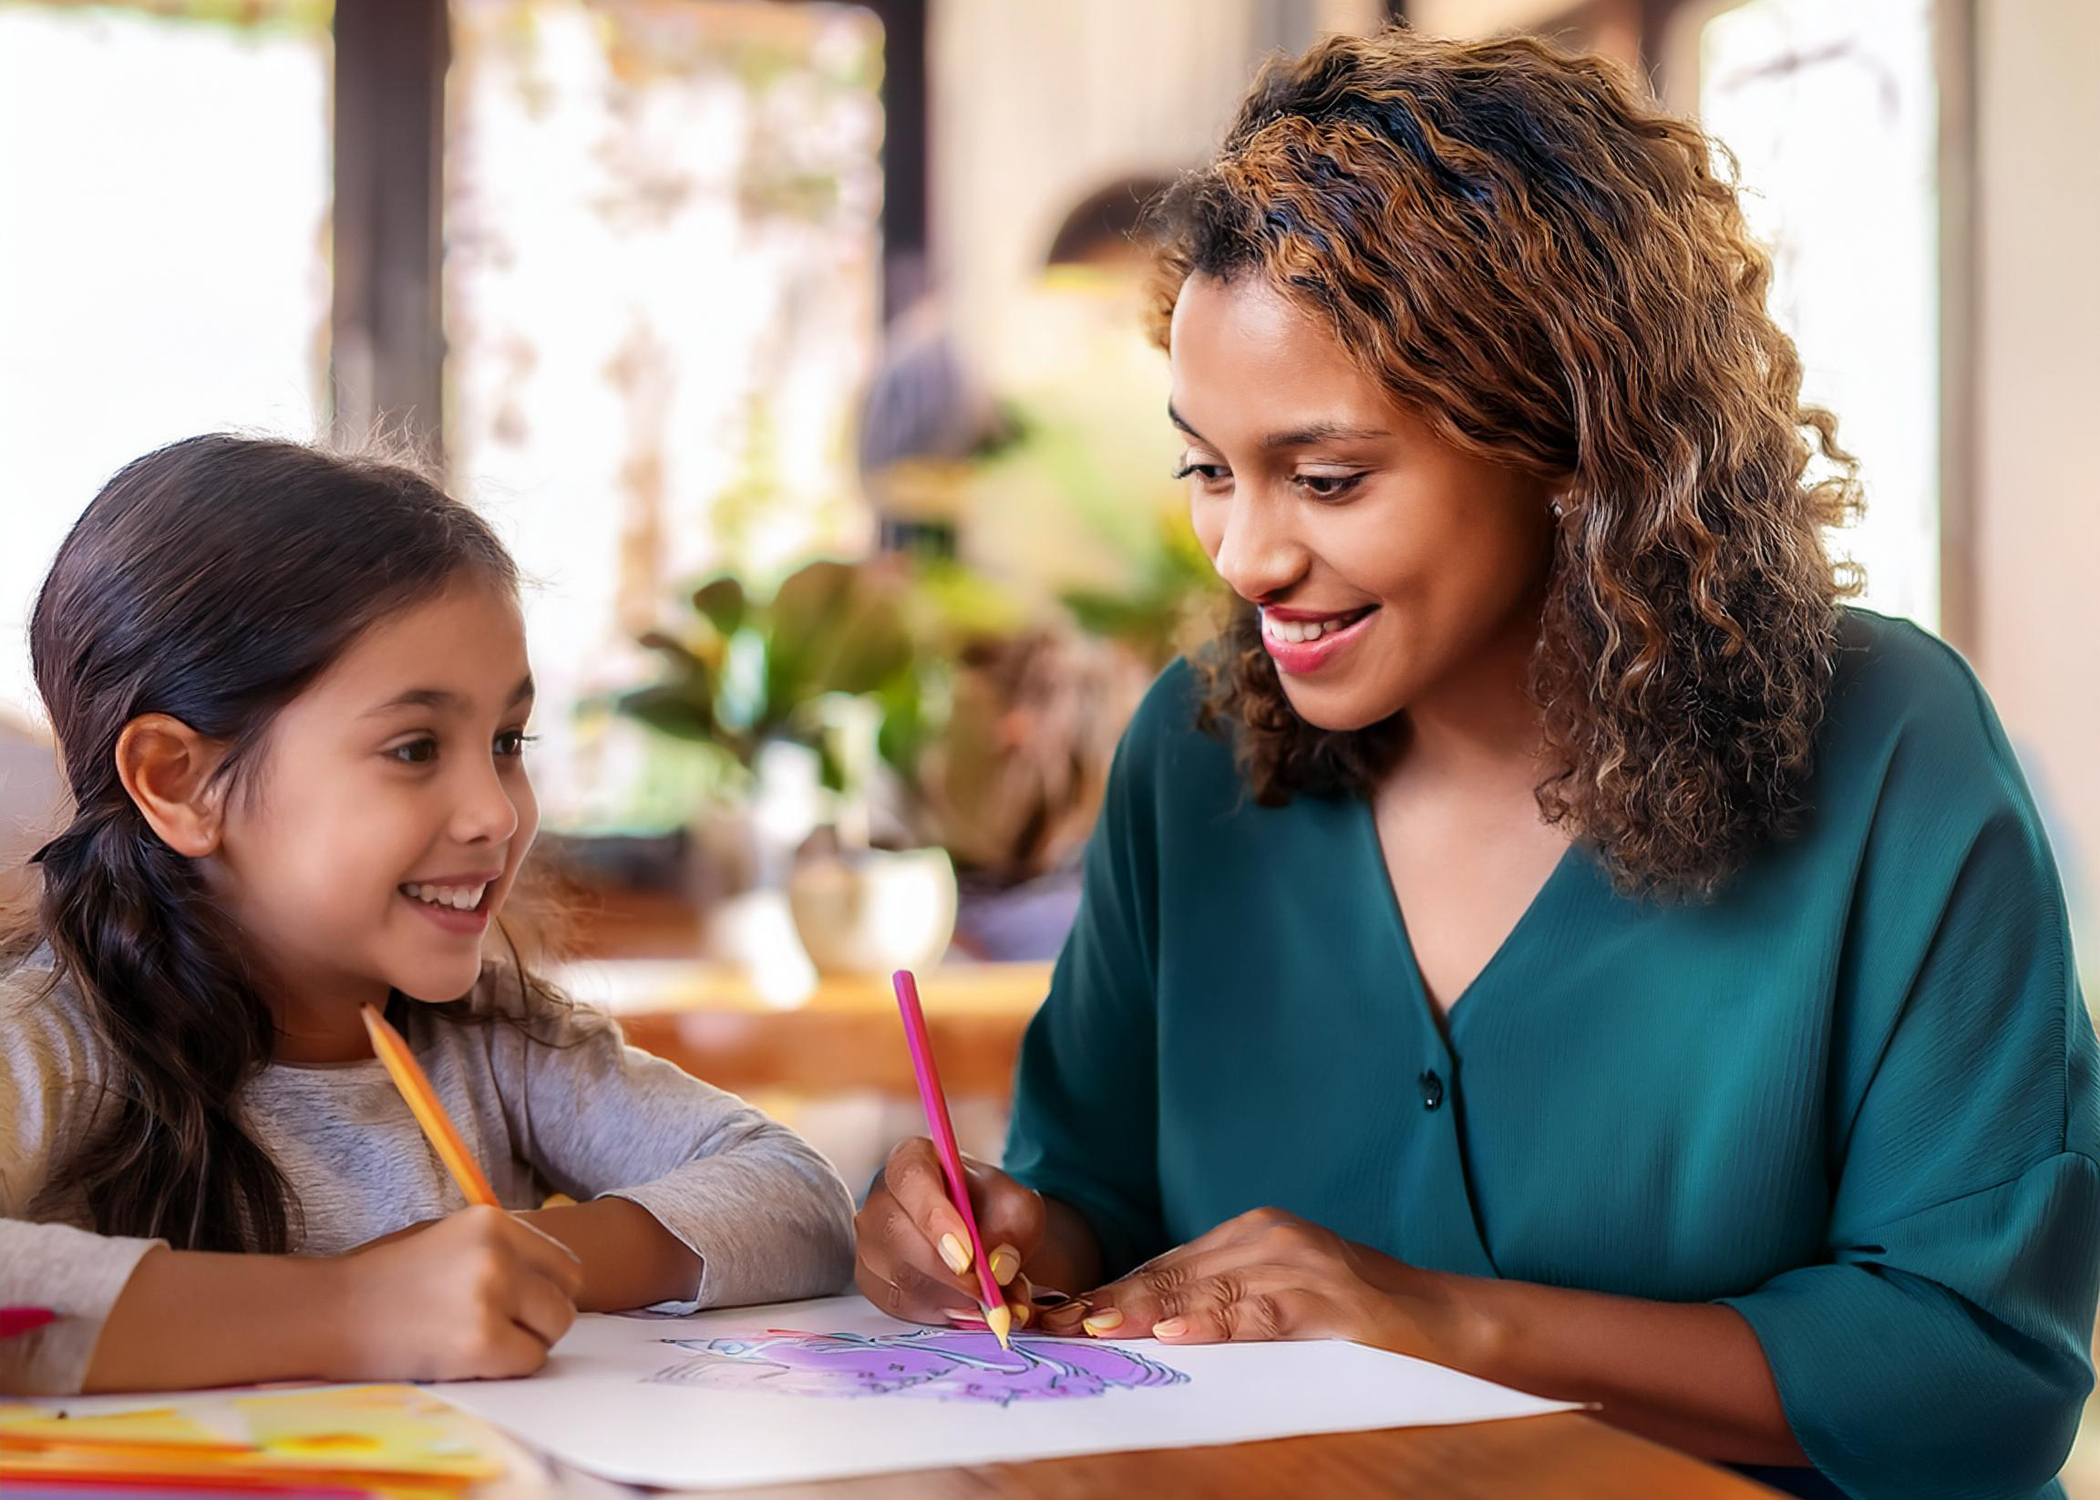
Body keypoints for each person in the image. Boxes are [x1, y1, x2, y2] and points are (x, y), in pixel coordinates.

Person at [854, 29, 2097, 1500]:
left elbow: (1977, 1373)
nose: (1246, 553)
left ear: (1573, 441)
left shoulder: (1895, 749)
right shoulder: (1192, 763)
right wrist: (1005, 1235)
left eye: (1328, 478)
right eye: (1208, 468)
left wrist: (1444, 1323)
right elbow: (1098, 1190)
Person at [1, 436, 855, 1396]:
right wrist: (358, 1308)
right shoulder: (52, 1042)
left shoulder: (499, 1044)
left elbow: (800, 1195)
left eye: (505, 741)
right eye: (414, 748)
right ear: (180, 781)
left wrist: (520, 1254)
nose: (497, 811)